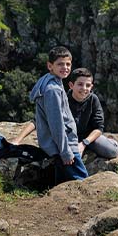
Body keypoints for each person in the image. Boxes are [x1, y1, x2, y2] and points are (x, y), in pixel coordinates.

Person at [12, 68, 118, 159]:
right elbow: (37, 121)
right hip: (67, 138)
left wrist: (83, 144)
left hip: (89, 137)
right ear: (71, 85)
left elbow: (98, 128)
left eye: (88, 85)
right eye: (80, 84)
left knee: (111, 151)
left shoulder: (93, 100)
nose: (84, 88)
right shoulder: (61, 98)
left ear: (91, 87)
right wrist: (17, 140)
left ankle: (113, 139)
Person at [29, 46, 88, 184]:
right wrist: (65, 151)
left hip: (59, 146)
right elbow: (57, 124)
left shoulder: (52, 81)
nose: (65, 67)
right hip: (64, 145)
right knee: (82, 181)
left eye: (68, 64)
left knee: (63, 182)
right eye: (60, 64)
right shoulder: (52, 90)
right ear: (50, 66)